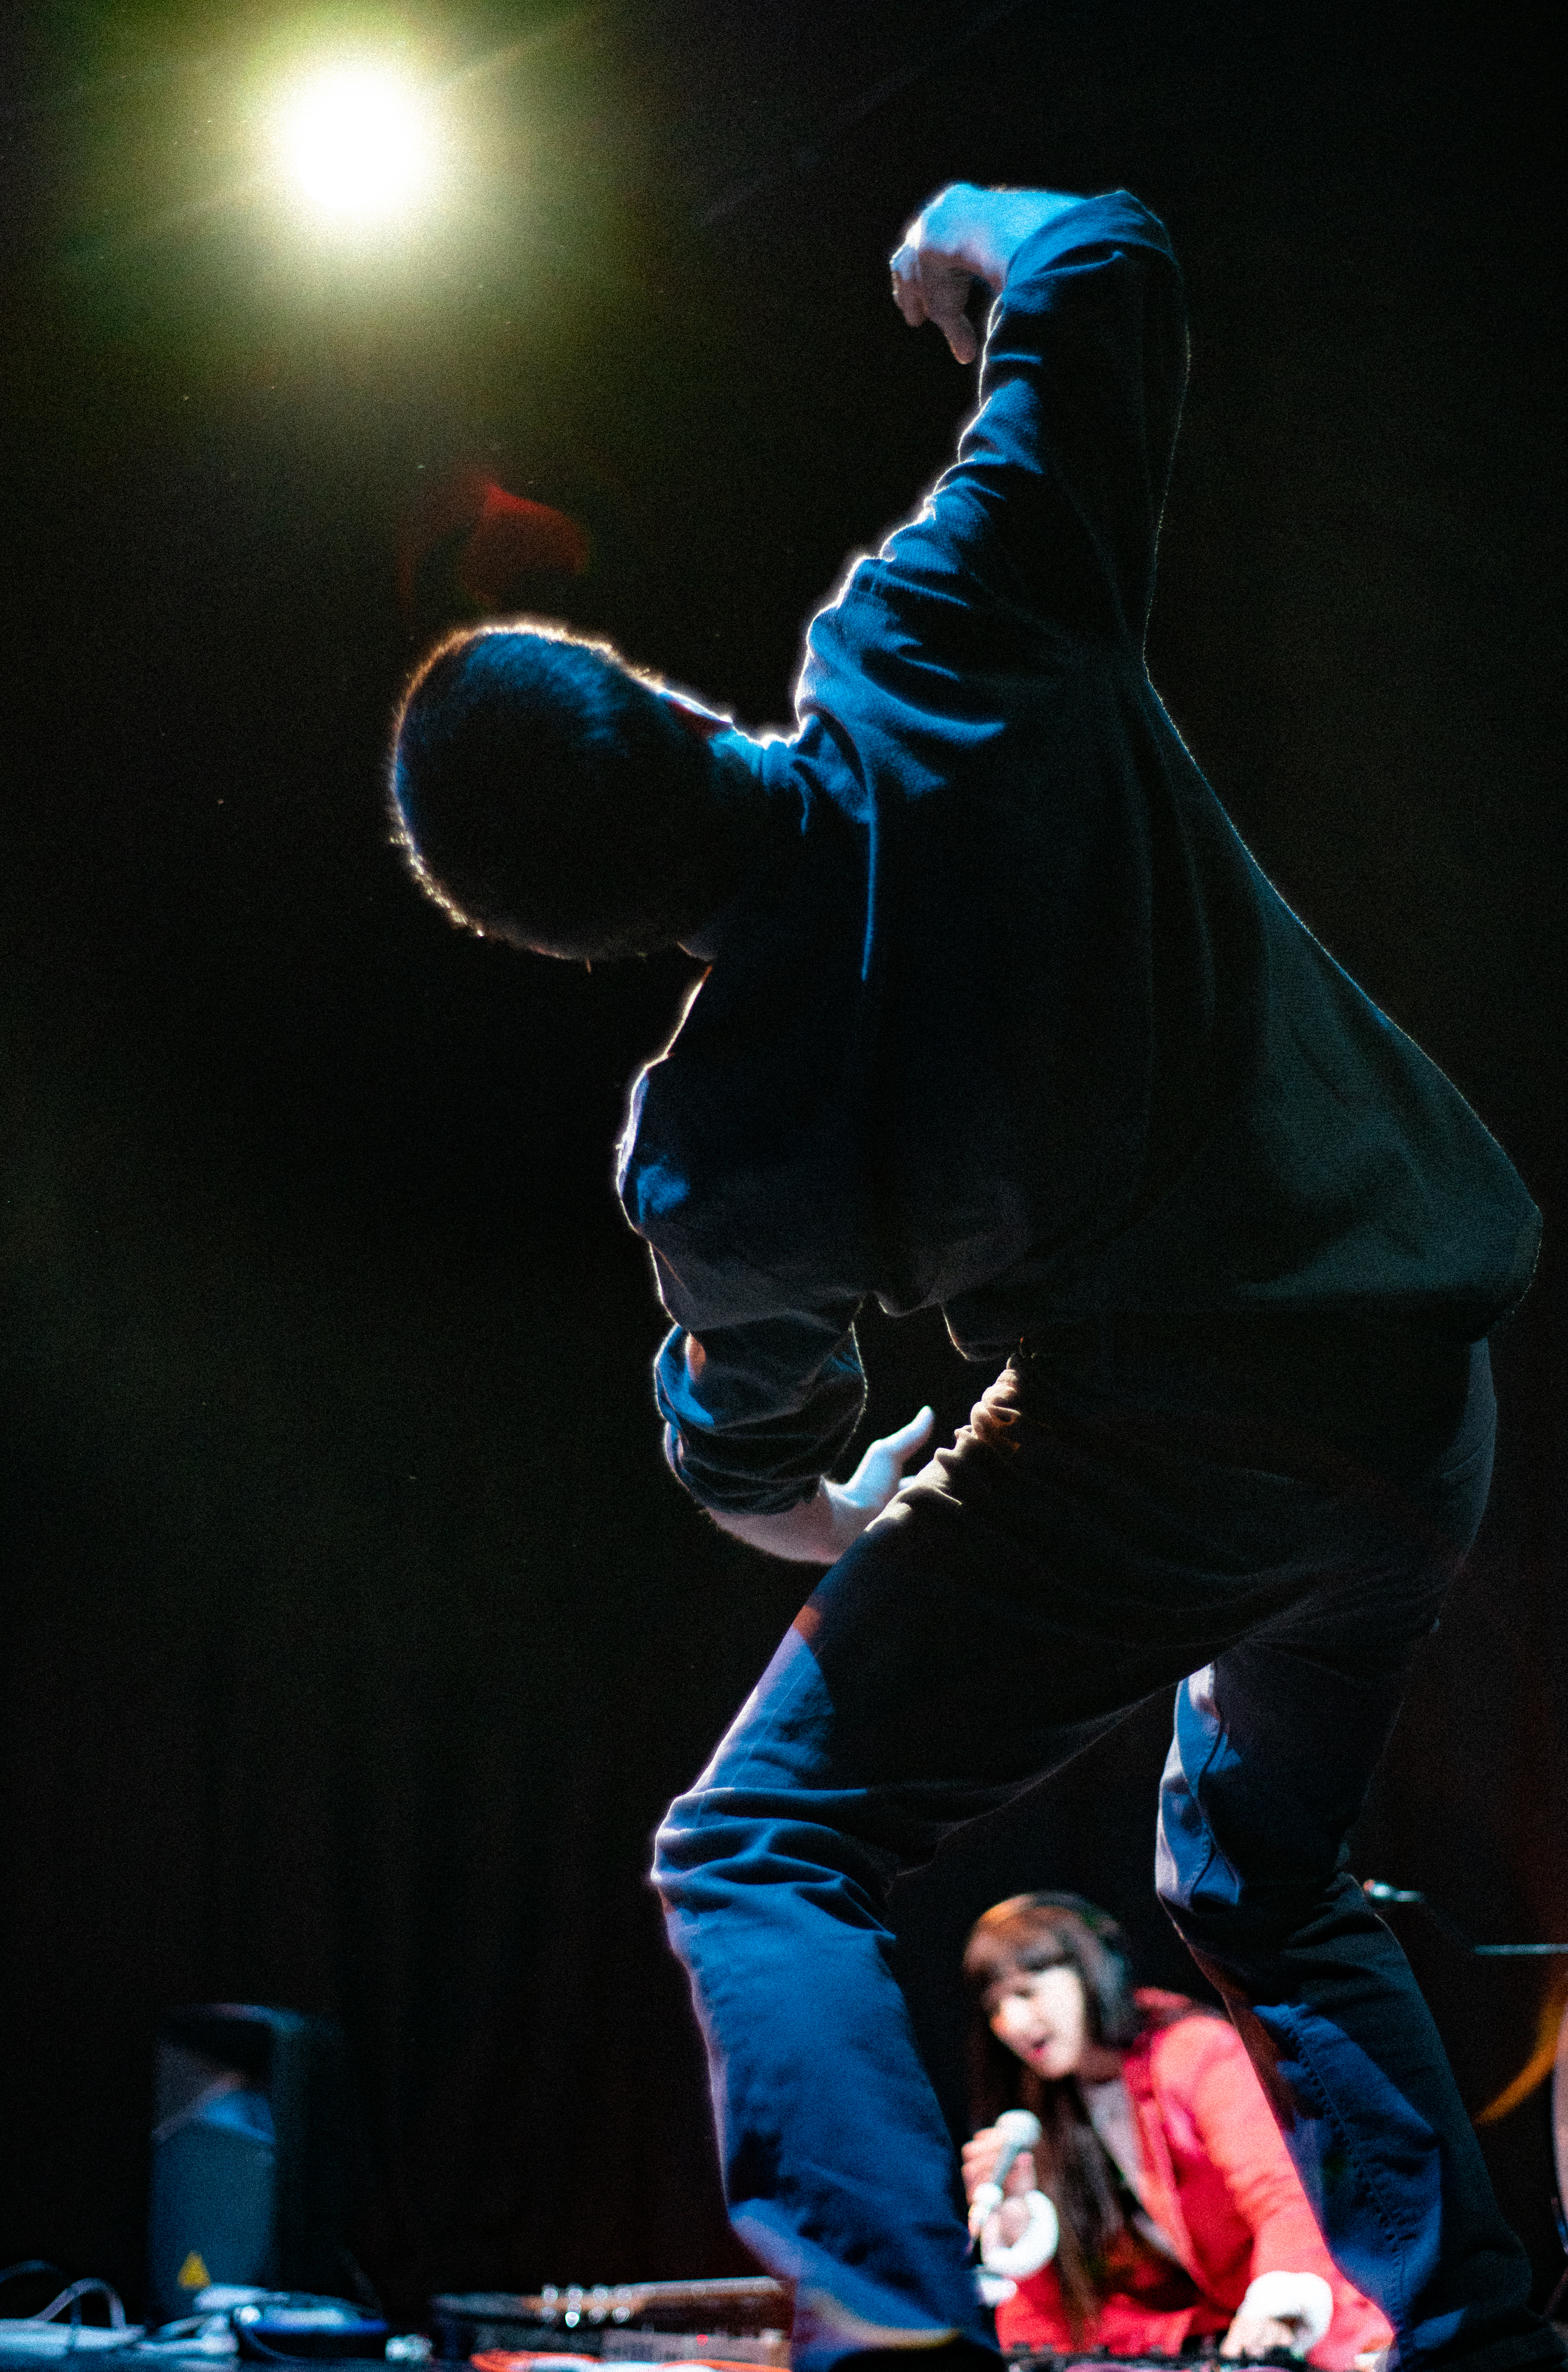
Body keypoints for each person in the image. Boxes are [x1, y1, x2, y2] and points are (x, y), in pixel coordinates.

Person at [389, 182, 1559, 2372]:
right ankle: (1480, 2328)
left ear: (567, 943)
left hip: (1156, 1439)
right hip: (1417, 1404)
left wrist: (854, 1518)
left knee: (760, 1851)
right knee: (1252, 1868)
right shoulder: (943, 634)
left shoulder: (713, 1147)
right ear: (650, 701)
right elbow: (1111, 254)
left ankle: (896, 2344)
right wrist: (957, 236)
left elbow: (753, 1465)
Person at [961, 1892, 1394, 2366]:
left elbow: (1283, 2192)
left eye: (1026, 1991)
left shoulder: (1193, 2052)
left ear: (1089, 1969)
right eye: (996, 2005)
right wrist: (1020, 2225)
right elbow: (1065, 2308)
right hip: (1200, 2342)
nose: (1013, 2022)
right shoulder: (1044, 2109)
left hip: (1310, 2326)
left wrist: (1278, 2302)